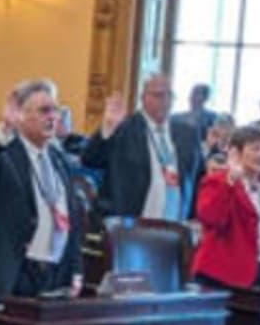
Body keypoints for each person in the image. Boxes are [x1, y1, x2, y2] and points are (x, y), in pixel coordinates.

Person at [0, 79, 88, 305]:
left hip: (51, 278)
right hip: (8, 275)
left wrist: (75, 268)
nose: (52, 117)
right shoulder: (3, 153)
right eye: (44, 110)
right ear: (21, 115)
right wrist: (3, 131)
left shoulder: (59, 160)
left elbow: (71, 219)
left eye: (55, 110)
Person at [80, 72, 202, 221]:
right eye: (159, 95)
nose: (165, 101)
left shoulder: (187, 133)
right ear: (143, 97)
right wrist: (107, 129)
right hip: (131, 225)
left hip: (176, 226)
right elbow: (90, 159)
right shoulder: (125, 128)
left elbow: (198, 178)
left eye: (169, 95)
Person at [193, 125, 260, 288]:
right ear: (235, 153)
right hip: (228, 275)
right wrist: (231, 181)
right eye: (255, 149)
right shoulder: (218, 181)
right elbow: (211, 218)